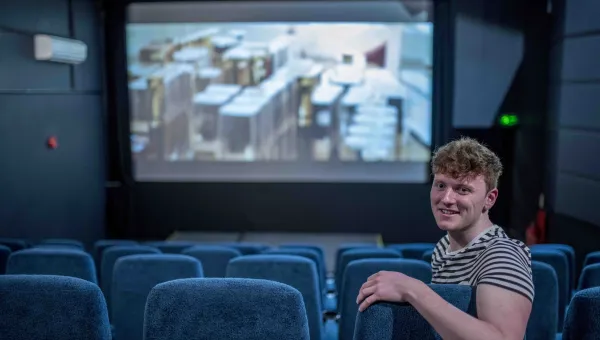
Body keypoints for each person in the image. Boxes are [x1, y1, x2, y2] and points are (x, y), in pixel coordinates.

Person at [356, 137, 533, 340]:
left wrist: (413, 289)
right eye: (440, 185)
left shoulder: (503, 254)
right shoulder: (443, 248)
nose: (446, 199)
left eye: (462, 190)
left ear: (489, 199)